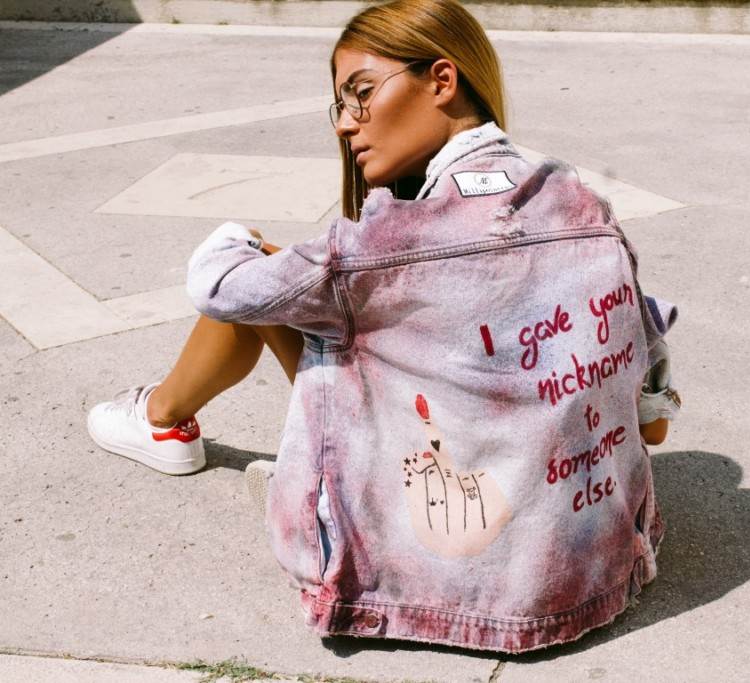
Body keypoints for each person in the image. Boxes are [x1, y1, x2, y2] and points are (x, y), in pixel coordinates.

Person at [86, 0, 681, 653]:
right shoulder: (581, 203)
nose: (347, 123)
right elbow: (653, 417)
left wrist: (238, 237)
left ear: (442, 80)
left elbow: (219, 285)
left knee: (266, 280)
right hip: (597, 569)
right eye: (341, 105)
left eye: (363, 94)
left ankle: (163, 418)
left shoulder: (387, 246)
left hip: (447, 581)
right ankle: (169, 418)